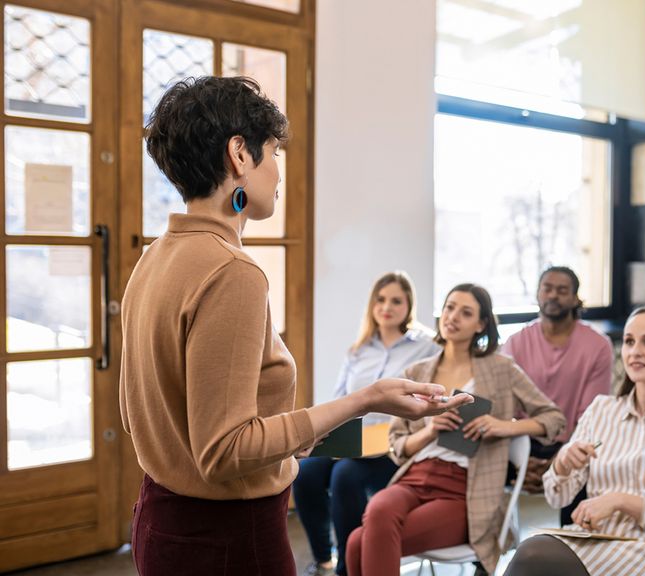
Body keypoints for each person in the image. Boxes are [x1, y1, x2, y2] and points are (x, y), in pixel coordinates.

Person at [119, 76, 472, 576]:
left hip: (160, 522)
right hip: (229, 540)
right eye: (274, 152)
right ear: (240, 154)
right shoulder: (232, 272)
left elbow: (140, 416)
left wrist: (293, 435)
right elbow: (224, 451)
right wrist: (365, 399)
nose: (279, 171)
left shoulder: (154, 257)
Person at [346, 283, 566, 576]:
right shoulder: (417, 372)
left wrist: (503, 426)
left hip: (465, 491)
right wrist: (429, 431)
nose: (453, 317)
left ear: (481, 324)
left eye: (466, 312)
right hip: (413, 478)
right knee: (377, 512)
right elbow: (397, 444)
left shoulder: (502, 369)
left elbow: (554, 419)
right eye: (450, 308)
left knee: (357, 543)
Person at [502, 306, 645, 576]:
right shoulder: (602, 410)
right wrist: (562, 464)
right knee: (531, 551)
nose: (635, 351)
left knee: (533, 557)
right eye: (630, 341)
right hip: (594, 538)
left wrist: (622, 501)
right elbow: (556, 496)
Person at [293, 271, 441, 576]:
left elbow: (433, 399)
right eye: (381, 299)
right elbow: (339, 400)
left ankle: (349, 568)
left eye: (396, 301)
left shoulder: (427, 347)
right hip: (353, 440)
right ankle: (323, 561)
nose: (386, 306)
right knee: (305, 473)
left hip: (393, 445)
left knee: (344, 476)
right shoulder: (358, 349)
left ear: (408, 305)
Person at [501, 266, 612, 524]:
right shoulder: (516, 342)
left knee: (585, 468)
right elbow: (506, 409)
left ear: (575, 299)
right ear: (538, 294)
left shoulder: (598, 346)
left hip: (572, 442)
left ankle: (575, 547)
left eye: (562, 291)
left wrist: (558, 461)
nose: (553, 295)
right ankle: (485, 556)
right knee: (479, 461)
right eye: (547, 289)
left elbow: (591, 416)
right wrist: (522, 461)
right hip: (521, 440)